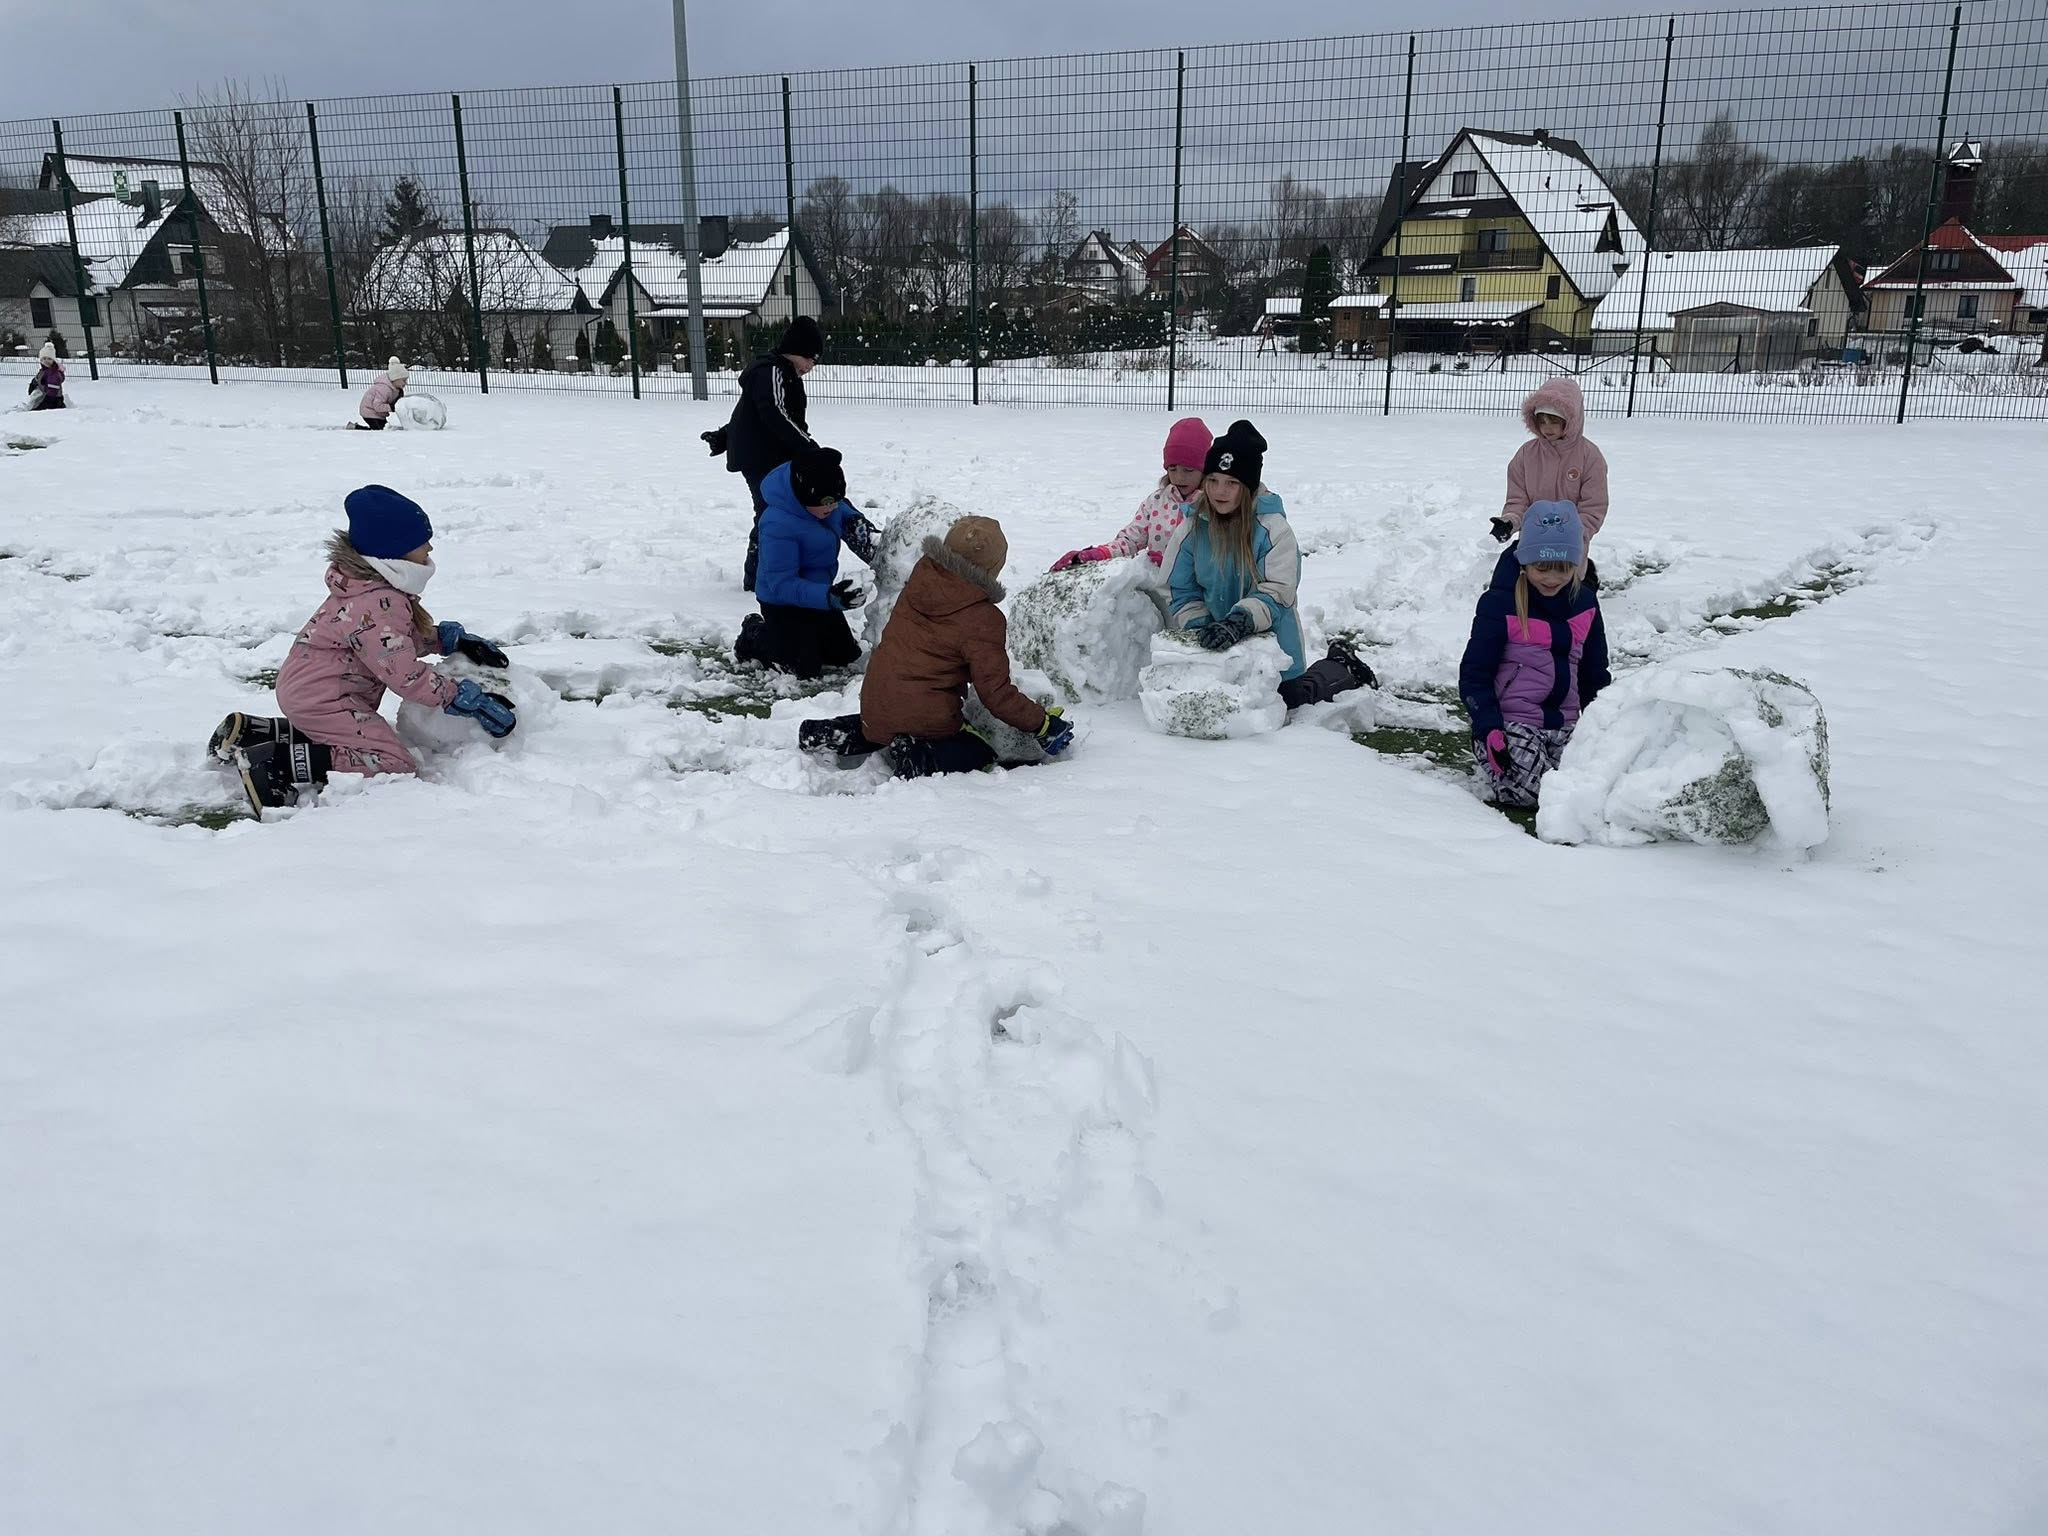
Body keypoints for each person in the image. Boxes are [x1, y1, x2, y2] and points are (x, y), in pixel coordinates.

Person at [208, 485, 515, 811]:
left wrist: (445, 639)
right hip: (325, 699)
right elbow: (404, 674)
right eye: (421, 541)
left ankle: (257, 733)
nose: (430, 547)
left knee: (355, 739)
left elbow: (391, 643)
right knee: (393, 762)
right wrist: (458, 697)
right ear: (394, 550)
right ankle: (275, 761)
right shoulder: (377, 603)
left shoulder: (373, 590)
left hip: (312, 694)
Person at [825, 516, 1075, 779]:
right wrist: (1043, 724)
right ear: (992, 567)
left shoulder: (921, 578)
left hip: (874, 703)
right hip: (924, 717)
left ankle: (838, 731)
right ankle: (920, 757)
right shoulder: (983, 618)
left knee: (891, 719)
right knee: (980, 752)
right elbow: (996, 694)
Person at [1163, 419, 1376, 710]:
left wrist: (1239, 622)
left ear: (1248, 487)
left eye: (1232, 483)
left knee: (1286, 701)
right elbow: (1179, 587)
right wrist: (1202, 627)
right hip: (1214, 643)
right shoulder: (1192, 529)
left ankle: (1341, 666)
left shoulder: (1273, 529)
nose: (1219, 491)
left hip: (1272, 642)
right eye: (1212, 481)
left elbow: (1279, 589)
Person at [699, 315, 876, 591]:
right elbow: (773, 413)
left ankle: (866, 537)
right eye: (810, 359)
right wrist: (810, 450)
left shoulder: (784, 375)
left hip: (779, 455)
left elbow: (755, 414)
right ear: (796, 351)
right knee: (771, 513)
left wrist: (724, 435)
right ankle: (758, 576)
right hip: (761, 460)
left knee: (816, 495)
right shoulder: (771, 371)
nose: (810, 367)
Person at [1459, 501, 1611, 808]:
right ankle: (1490, 752)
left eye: (1563, 569)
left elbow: (1594, 673)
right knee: (1534, 793)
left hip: (1565, 722)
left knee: (1591, 785)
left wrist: (1604, 727)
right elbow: (1475, 673)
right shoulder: (1500, 604)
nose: (1552, 578)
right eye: (1542, 568)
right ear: (1524, 562)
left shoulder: (1585, 604)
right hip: (1512, 722)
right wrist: (1488, 725)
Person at [734, 445, 874, 680]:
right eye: (827, 502)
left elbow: (844, 510)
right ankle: (754, 634)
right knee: (802, 667)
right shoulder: (778, 524)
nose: (833, 507)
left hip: (817, 594)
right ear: (803, 497)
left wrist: (857, 524)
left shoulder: (826, 504)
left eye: (837, 499)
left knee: (843, 655)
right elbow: (781, 583)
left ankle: (809, 636)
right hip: (782, 602)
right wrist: (829, 598)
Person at [1488, 375, 1608, 588]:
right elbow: (1518, 500)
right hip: (1534, 542)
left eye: (1554, 421)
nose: (1547, 427)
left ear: (1570, 420)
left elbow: (1593, 506)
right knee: (1533, 589)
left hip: (1570, 546)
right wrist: (1510, 521)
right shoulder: (1526, 455)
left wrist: (1575, 533)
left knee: (1566, 592)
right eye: (1542, 421)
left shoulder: (1589, 456)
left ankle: (1584, 581)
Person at [1049, 417, 1212, 572]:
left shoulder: (1213, 504)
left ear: (1204, 470)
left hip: (1198, 589)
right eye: (1172, 469)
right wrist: (1099, 553)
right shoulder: (1156, 502)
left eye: (1188, 470)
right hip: (1156, 585)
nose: (1179, 477)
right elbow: (1131, 540)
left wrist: (1175, 564)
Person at [353, 357, 410, 430]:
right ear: (395, 379)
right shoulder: (384, 389)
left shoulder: (397, 390)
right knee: (377, 430)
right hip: (369, 411)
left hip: (379, 414)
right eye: (403, 380)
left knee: (384, 428)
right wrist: (392, 407)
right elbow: (377, 406)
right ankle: (355, 427)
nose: (406, 383)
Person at [27, 341, 65, 410]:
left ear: (53, 360)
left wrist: (48, 401)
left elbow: (53, 388)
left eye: (49, 359)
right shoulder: (43, 370)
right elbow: (37, 378)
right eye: (44, 358)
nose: (46, 361)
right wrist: (33, 384)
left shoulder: (54, 372)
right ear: (41, 360)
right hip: (45, 396)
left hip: (54, 400)